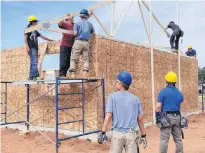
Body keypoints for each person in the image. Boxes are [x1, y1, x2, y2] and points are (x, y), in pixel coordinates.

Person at [98, 71, 147, 153]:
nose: (116, 84)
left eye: (116, 82)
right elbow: (140, 118)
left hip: (117, 135)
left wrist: (103, 132)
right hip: (131, 134)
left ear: (120, 84)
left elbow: (109, 115)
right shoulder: (136, 99)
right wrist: (143, 135)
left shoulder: (112, 97)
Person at [156, 71, 184, 153]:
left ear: (166, 80)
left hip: (166, 118)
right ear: (175, 81)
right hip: (177, 117)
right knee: (178, 139)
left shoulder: (163, 92)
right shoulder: (179, 93)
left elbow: (158, 106)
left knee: (164, 139)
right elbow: (179, 106)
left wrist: (157, 117)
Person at [24, 15, 54, 80]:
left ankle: (31, 76)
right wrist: (27, 46)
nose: (37, 23)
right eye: (36, 22)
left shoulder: (35, 31)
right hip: (31, 47)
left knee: (33, 62)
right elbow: (25, 38)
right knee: (35, 61)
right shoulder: (27, 29)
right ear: (33, 22)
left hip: (35, 48)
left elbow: (43, 36)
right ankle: (35, 75)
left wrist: (52, 40)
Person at [69, 9, 95, 78]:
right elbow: (92, 32)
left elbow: (75, 34)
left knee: (73, 58)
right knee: (86, 59)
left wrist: (72, 34)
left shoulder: (77, 23)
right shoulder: (90, 24)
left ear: (80, 16)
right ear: (87, 15)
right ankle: (85, 74)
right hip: (86, 43)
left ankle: (73, 74)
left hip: (78, 41)